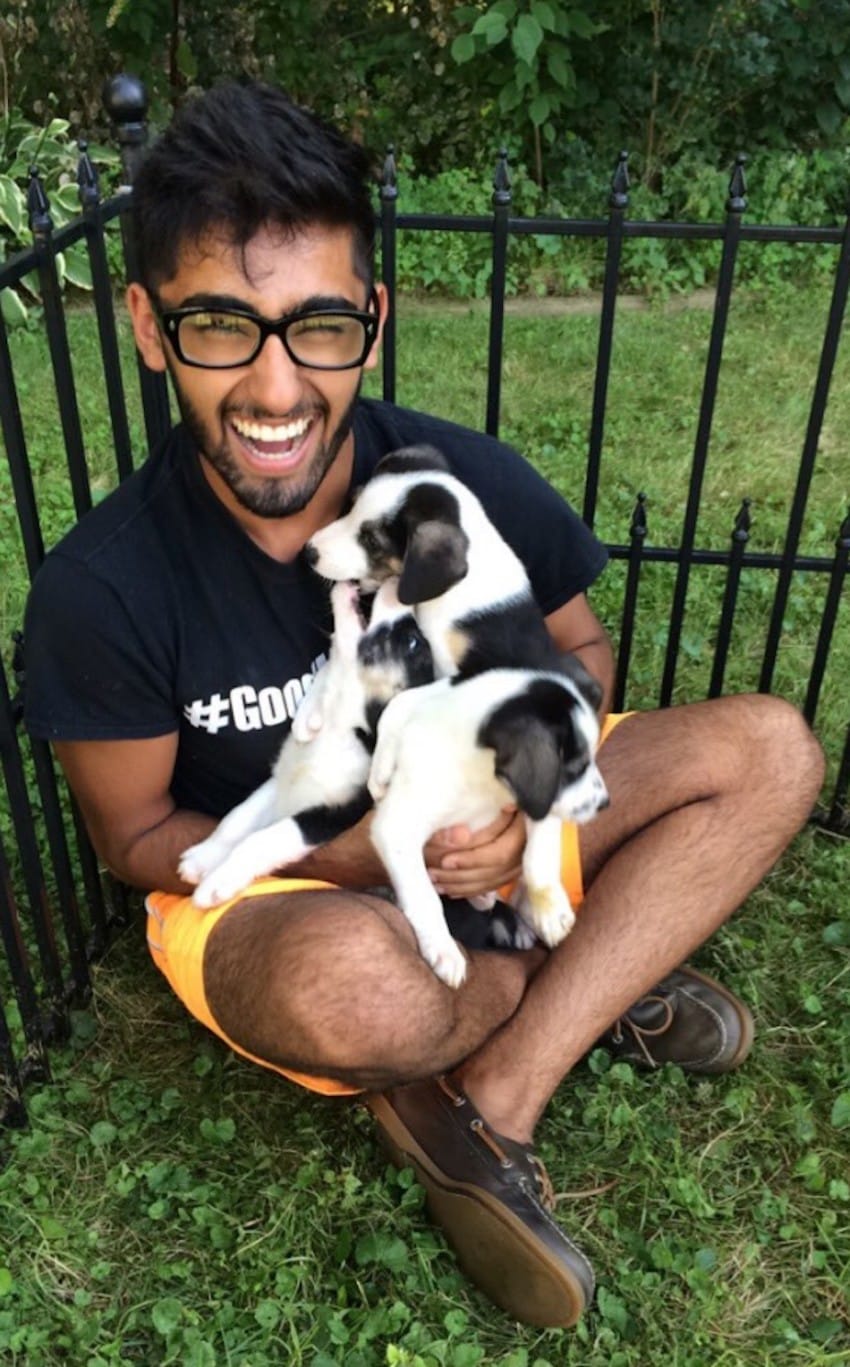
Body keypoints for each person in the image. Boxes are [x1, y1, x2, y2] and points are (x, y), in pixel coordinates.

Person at [23, 81, 824, 1329]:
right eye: (221, 326)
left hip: (486, 819)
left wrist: (517, 795)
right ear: (145, 323)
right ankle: (593, 969)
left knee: (768, 750)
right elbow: (134, 844)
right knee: (362, 991)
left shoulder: (449, 481)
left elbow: (582, 649)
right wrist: (353, 848)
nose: (276, 389)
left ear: (374, 321)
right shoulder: (102, 586)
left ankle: (498, 1082)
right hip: (288, 886)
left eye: (320, 325)